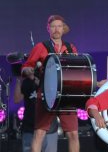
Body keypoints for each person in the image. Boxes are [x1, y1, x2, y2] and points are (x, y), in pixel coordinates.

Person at [21, 15, 80, 152]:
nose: (56, 29)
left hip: (67, 95)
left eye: (59, 26)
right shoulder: (40, 47)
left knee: (73, 134)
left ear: (63, 28)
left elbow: (77, 70)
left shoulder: (71, 48)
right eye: (53, 26)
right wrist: (28, 70)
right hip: (47, 94)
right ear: (48, 29)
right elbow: (25, 68)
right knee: (39, 133)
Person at [14, 74, 58, 152]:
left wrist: (40, 83)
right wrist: (19, 79)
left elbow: (55, 97)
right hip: (30, 126)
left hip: (49, 128)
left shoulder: (50, 77)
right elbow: (17, 99)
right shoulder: (27, 81)